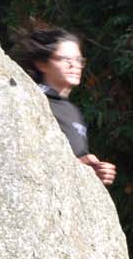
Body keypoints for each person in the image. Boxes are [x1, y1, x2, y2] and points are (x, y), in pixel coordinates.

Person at [10, 25, 118, 186]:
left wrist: (95, 169)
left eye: (78, 60)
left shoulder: (72, 111)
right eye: (65, 59)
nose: (74, 65)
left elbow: (76, 160)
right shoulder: (34, 102)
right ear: (42, 63)